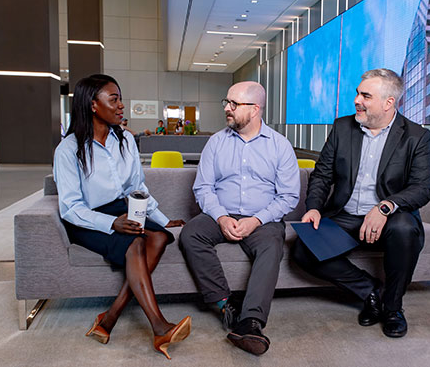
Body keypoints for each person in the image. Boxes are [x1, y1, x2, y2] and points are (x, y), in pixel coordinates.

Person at [53, 74, 191, 359]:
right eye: (113, 99)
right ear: (93, 105)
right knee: (136, 243)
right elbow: (70, 208)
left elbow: (137, 189)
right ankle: (159, 326)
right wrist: (110, 223)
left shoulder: (126, 139)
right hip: (86, 218)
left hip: (120, 209)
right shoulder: (68, 150)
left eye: (120, 98)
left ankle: (110, 317)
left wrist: (163, 220)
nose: (121, 106)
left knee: (160, 237)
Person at [293, 68, 430, 338]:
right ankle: (371, 292)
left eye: (366, 96)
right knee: (302, 250)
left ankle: (392, 309)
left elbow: (420, 189)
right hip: (345, 215)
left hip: (391, 218)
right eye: (358, 93)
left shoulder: (416, 136)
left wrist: (384, 207)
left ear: (388, 102)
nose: (357, 100)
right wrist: (313, 207)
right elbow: (322, 174)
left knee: (405, 228)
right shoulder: (343, 127)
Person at [179, 81, 300, 355]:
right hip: (220, 212)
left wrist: (256, 220)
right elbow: (203, 187)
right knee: (190, 234)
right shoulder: (216, 142)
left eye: (234, 104)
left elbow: (289, 196)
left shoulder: (280, 146)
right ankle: (226, 304)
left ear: (255, 109)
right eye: (227, 102)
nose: (227, 109)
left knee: (272, 246)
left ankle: (251, 322)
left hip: (262, 218)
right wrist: (221, 217)